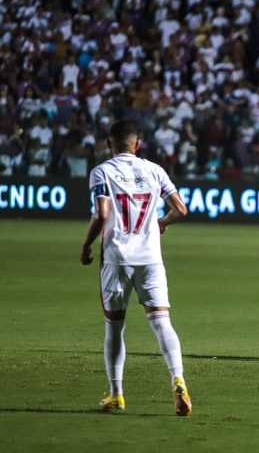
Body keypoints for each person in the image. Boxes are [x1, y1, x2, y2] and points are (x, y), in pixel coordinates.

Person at [80, 120, 192, 416]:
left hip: (117, 258)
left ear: (109, 144)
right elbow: (180, 209)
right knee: (161, 322)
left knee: (114, 327)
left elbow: (102, 212)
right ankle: (177, 378)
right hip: (151, 258)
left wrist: (86, 244)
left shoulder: (102, 171)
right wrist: (161, 223)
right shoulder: (155, 169)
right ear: (137, 144)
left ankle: (117, 394)